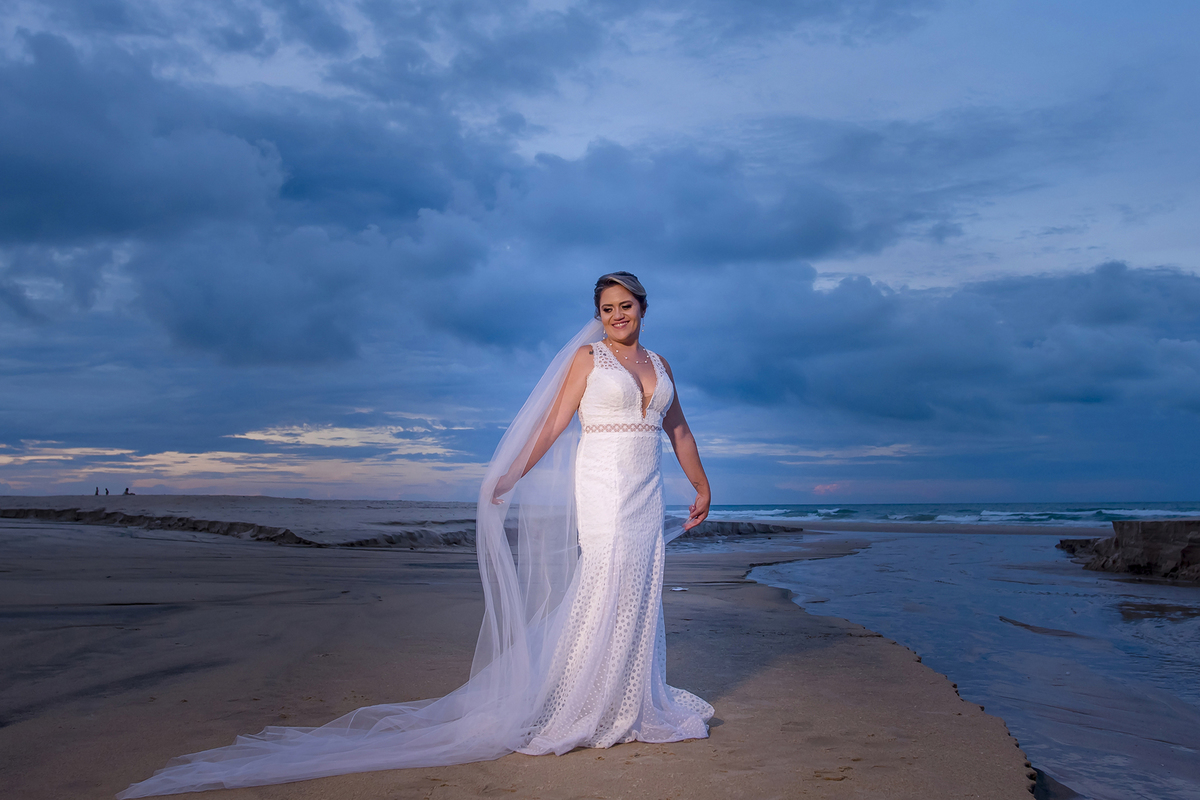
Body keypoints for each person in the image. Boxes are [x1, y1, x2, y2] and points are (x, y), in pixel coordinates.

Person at [118, 272, 713, 798]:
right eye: (607, 307)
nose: (617, 316)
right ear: (598, 313)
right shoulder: (589, 359)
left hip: (646, 492)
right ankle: (581, 702)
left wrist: (700, 486)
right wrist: (508, 475)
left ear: (641, 306)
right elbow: (555, 426)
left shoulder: (660, 367)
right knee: (604, 580)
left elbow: (679, 429)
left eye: (625, 306)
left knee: (640, 585)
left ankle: (629, 700)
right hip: (604, 490)